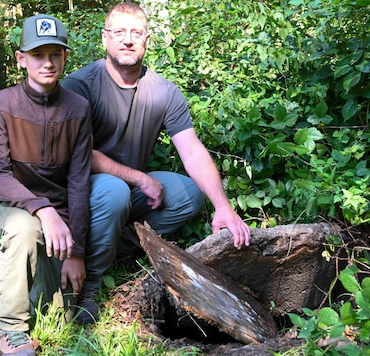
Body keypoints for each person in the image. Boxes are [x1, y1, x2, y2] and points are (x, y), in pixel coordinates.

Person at [61, 2, 252, 325]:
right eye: (119, 32)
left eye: (136, 33)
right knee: (113, 190)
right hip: (86, 190)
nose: (127, 40)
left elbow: (191, 150)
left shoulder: (164, 92)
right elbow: (80, 155)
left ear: (147, 40)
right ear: (105, 38)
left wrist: (223, 206)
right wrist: (138, 178)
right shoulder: (80, 86)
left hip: (127, 190)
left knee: (190, 192)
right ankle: (88, 285)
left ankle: (111, 244)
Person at [0, 14, 92, 356]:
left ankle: (3, 277)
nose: (47, 62)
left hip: (57, 212)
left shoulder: (78, 107)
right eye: (38, 55)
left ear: (65, 58)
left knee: (57, 311)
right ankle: (10, 329)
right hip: (11, 204)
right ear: (21, 59)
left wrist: (76, 253)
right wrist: (42, 209)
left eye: (55, 54)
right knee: (24, 229)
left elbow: (78, 182)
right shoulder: (0, 103)